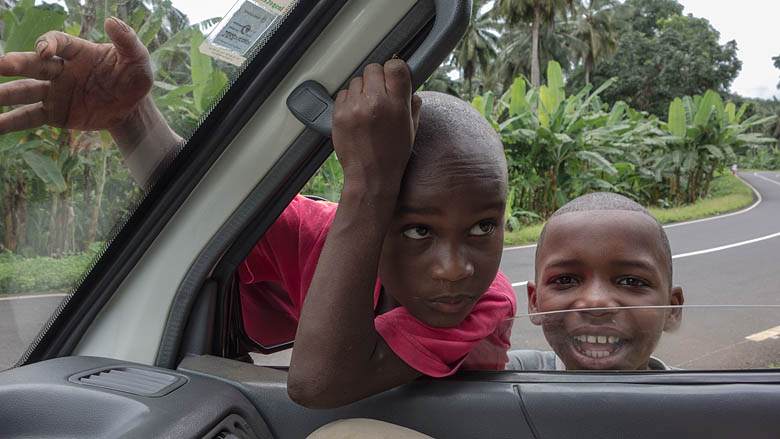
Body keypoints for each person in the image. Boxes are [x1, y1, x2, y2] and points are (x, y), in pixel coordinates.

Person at [0, 18, 516, 409]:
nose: (455, 268)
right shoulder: (322, 233)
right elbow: (207, 206)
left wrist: (372, 182)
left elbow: (318, 382)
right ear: (374, 219)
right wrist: (130, 118)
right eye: (419, 229)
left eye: (484, 227)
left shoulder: (482, 302)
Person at [506, 192, 684, 371]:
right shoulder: (507, 372)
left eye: (632, 281)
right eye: (565, 279)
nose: (596, 302)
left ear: (672, 308)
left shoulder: (700, 395)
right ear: (534, 301)